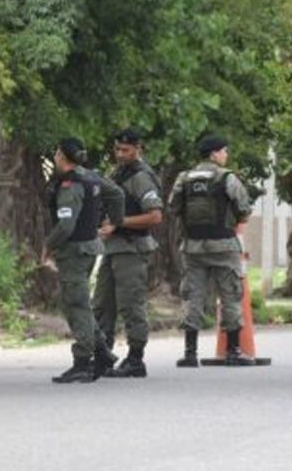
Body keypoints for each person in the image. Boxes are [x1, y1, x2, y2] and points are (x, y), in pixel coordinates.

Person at [168, 135, 255, 367]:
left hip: (193, 247)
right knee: (230, 296)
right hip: (224, 245)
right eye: (224, 151)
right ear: (215, 154)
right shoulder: (227, 177)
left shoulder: (183, 178)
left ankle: (190, 353)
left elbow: (173, 207)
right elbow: (244, 209)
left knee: (192, 296)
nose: (226, 155)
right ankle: (233, 351)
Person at [44, 138, 123, 383]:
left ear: (60, 155)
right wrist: (114, 222)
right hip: (90, 246)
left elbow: (66, 226)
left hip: (74, 251)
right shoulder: (91, 177)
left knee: (76, 304)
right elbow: (117, 194)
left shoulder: (71, 185)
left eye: (57, 154)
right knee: (75, 301)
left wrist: (48, 245)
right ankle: (102, 352)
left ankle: (82, 361)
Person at [93, 128, 162, 378]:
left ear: (138, 149)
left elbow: (155, 216)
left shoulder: (141, 177)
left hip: (132, 248)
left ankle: (135, 358)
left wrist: (120, 222)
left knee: (131, 304)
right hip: (112, 247)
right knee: (102, 304)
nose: (120, 154)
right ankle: (103, 355)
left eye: (126, 150)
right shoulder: (117, 173)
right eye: (117, 149)